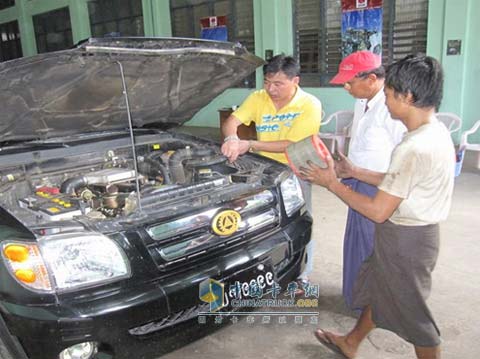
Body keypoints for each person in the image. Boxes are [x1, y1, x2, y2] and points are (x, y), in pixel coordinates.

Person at [301, 54, 454, 359]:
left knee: (415, 317)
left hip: (407, 240)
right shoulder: (433, 132)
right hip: (405, 235)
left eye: (388, 94)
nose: (384, 99)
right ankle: (351, 342)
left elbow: (377, 210)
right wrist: (356, 172)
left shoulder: (413, 147)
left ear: (406, 96)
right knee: (381, 288)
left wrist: (331, 183)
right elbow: (399, 180)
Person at [221, 54, 322, 291]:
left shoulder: (309, 104)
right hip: (265, 172)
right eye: (267, 82)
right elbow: (231, 121)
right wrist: (232, 137)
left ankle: (302, 275)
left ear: (295, 80)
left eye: (278, 84)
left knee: (298, 221)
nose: (270, 89)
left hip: (297, 170)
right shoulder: (258, 98)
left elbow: (293, 143)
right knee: (262, 220)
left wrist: (250, 144)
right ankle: (264, 268)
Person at [329, 50, 406, 309]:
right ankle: (357, 297)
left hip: (380, 190)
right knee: (357, 244)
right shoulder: (361, 102)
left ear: (372, 79)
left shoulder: (391, 110)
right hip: (358, 182)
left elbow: (404, 156)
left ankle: (373, 306)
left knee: (373, 249)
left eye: (350, 81)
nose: (346, 87)